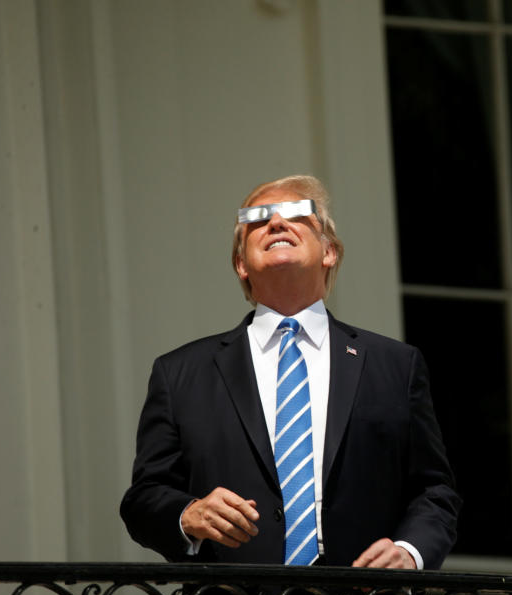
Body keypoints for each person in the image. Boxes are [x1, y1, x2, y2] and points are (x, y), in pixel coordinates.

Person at [120, 175, 460, 570]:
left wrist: (410, 552)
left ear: (329, 251)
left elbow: (434, 492)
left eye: (297, 214)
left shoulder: (395, 366)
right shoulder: (180, 373)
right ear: (241, 264)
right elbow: (144, 499)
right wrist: (188, 515)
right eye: (258, 219)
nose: (276, 223)